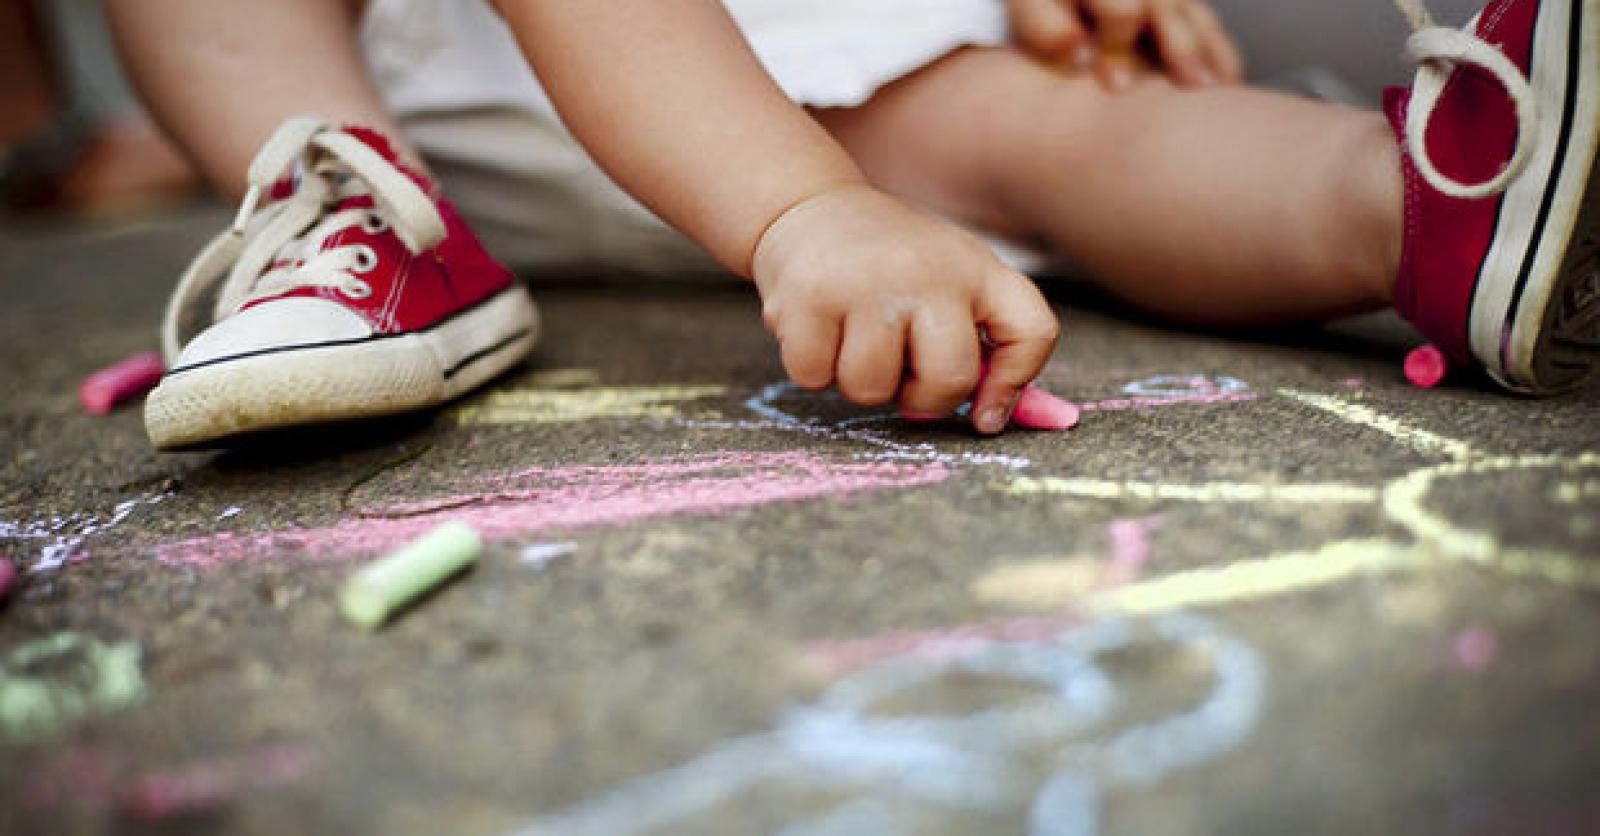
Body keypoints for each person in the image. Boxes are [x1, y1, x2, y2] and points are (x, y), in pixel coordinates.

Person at [104, 0, 1598, 450]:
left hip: (773, 50)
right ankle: (337, 199)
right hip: (408, 75)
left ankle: (1442, 206)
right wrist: (803, 211)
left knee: (1056, 125)